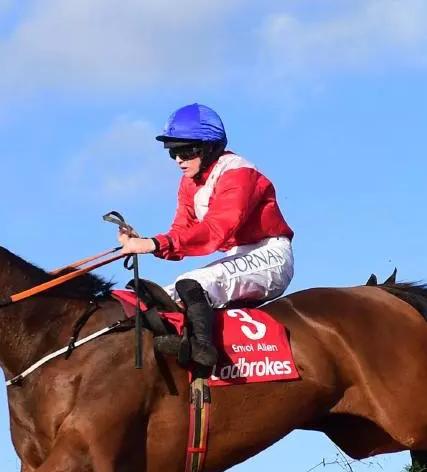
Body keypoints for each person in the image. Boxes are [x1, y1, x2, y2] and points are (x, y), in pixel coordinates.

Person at [117, 103, 295, 368]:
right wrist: (146, 242)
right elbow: (180, 233)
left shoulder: (239, 172)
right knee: (158, 298)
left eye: (185, 150)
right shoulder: (189, 182)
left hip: (269, 254)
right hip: (237, 256)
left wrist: (154, 244)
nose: (178, 159)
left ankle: (203, 352)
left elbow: (218, 229)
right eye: (173, 151)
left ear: (209, 147)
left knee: (190, 282)